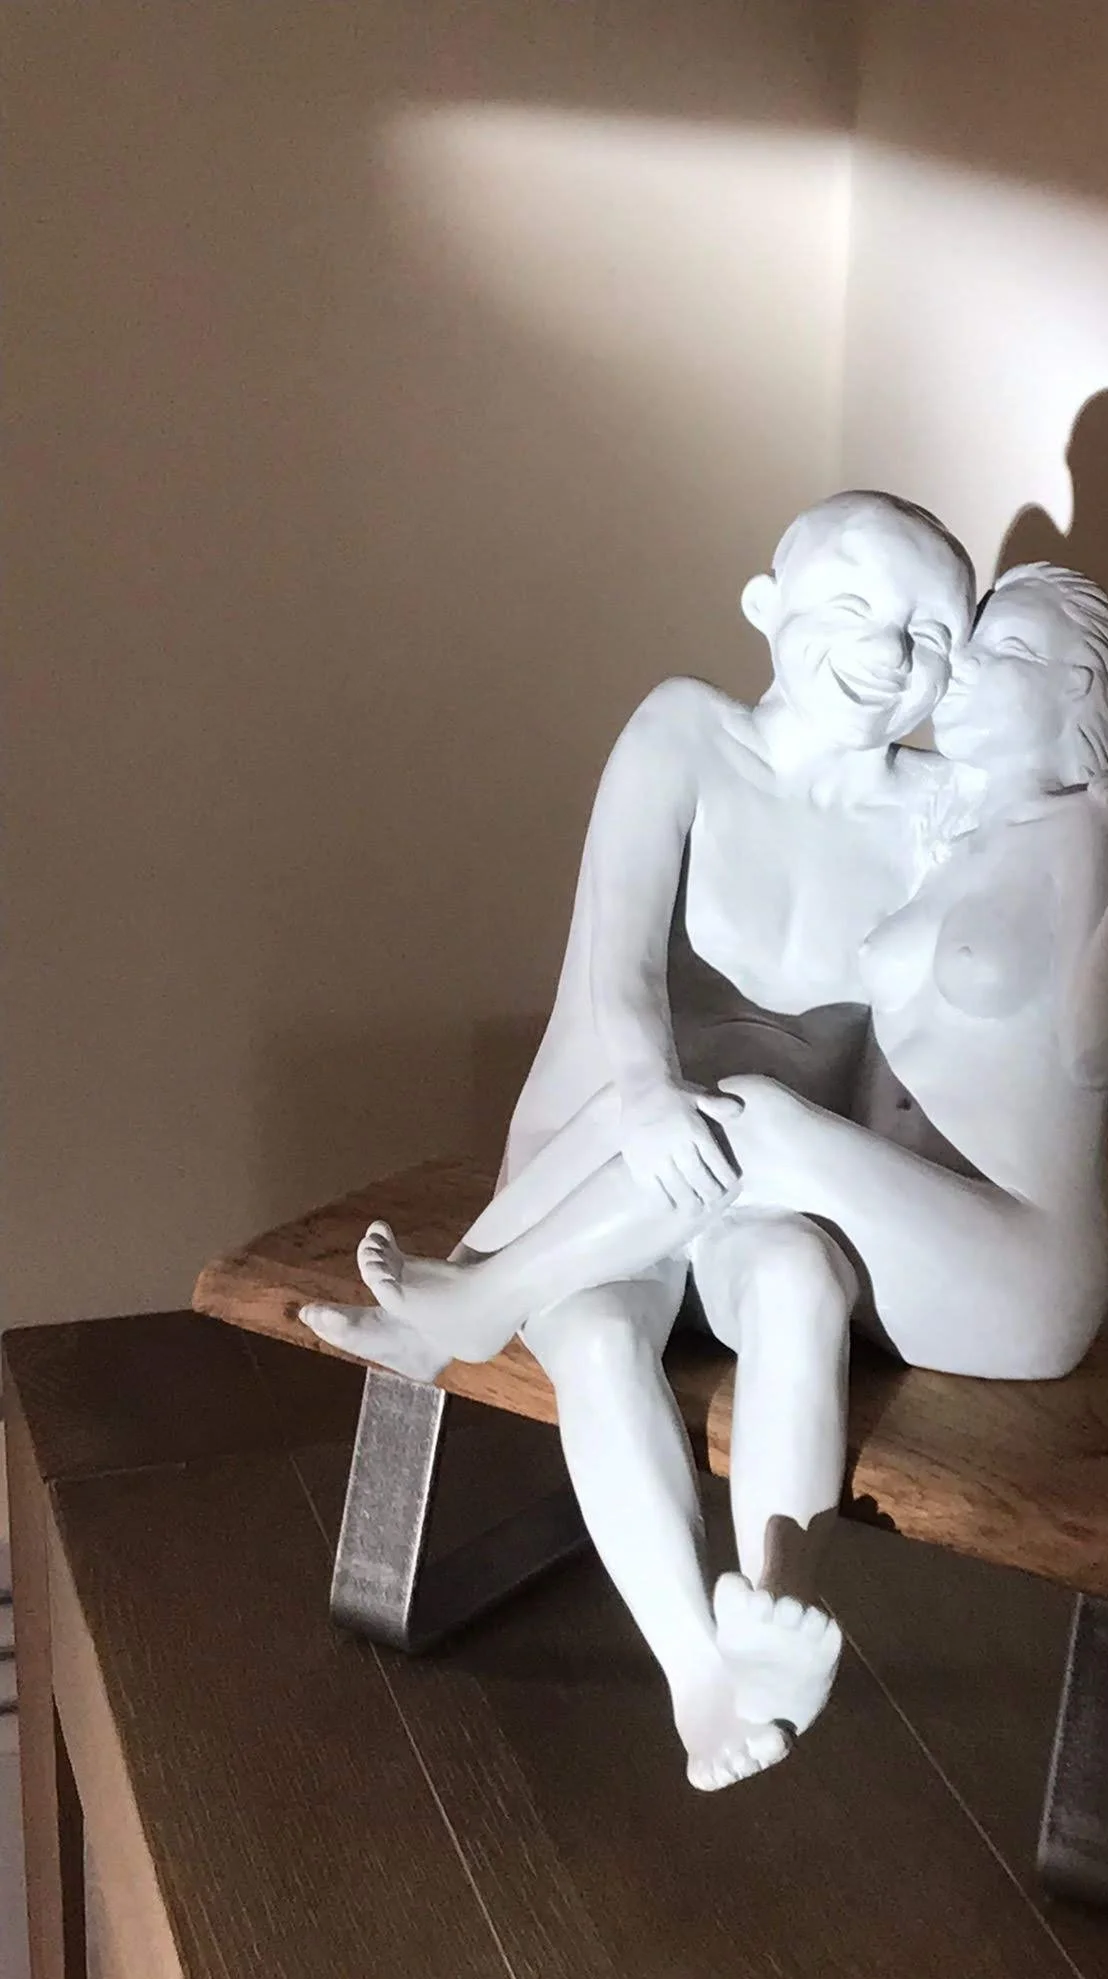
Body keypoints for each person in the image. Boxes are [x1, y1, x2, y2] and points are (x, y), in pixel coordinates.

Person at [304, 491, 977, 1792]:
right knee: (605, 1341)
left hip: (769, 1187)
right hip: (601, 1162)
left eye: (932, 634)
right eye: (852, 608)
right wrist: (655, 1091)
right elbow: (615, 959)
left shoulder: (939, 814)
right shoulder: (688, 735)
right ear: (767, 610)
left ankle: (778, 1614)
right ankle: (694, 1676)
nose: (889, 653)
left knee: (800, 1280)